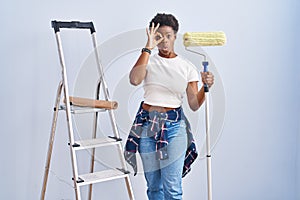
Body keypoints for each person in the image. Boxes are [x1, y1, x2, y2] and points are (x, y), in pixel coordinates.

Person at [124, 13, 214, 200]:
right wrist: (148, 47)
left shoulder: (186, 67)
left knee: (172, 188)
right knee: (154, 187)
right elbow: (134, 79)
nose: (164, 41)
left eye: (168, 36)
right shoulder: (147, 60)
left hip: (174, 128)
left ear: (175, 37)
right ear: (152, 36)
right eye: (159, 36)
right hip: (147, 126)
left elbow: (194, 104)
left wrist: (206, 87)